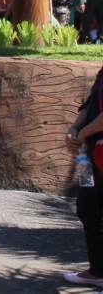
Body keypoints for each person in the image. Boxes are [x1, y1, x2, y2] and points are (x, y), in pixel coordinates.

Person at [64, 62, 103, 288]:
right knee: (87, 206)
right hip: (89, 156)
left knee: (93, 207)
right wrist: (74, 128)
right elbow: (89, 106)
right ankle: (97, 270)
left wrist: (83, 133)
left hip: (96, 150)